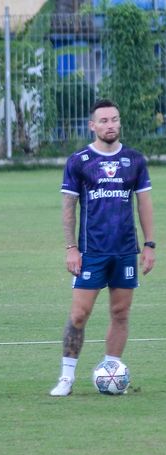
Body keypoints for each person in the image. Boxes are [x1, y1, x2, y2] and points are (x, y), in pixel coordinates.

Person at [50, 99, 156, 397]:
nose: (110, 125)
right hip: (91, 252)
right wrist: (71, 247)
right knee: (79, 314)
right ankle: (66, 377)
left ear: (119, 123)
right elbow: (69, 207)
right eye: (104, 121)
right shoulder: (79, 161)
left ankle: (111, 373)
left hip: (125, 251)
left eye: (114, 120)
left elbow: (144, 204)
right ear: (93, 126)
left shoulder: (134, 160)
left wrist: (149, 245)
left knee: (121, 313)